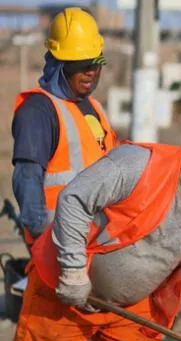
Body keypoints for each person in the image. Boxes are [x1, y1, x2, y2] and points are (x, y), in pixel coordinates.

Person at [10, 108, 181, 341]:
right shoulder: (138, 165)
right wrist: (73, 271)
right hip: (63, 289)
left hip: (130, 312)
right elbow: (75, 199)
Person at [11, 7, 116, 248]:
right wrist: (41, 238)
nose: (90, 71)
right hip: (59, 241)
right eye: (80, 65)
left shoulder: (94, 107)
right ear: (59, 64)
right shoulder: (38, 110)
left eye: (96, 63)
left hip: (96, 238)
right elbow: (27, 178)